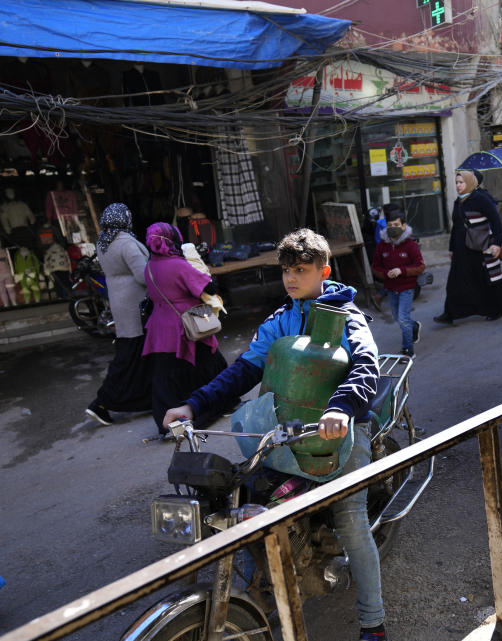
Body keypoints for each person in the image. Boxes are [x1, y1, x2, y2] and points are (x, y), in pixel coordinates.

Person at [160, 228, 388, 641]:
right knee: (249, 505)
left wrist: (340, 408)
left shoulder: (346, 317)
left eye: (300, 270)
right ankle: (260, 600)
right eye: (286, 270)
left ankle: (373, 622)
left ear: (324, 270)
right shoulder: (281, 320)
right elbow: (244, 370)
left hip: (340, 432)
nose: (291, 278)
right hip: (285, 433)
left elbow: (366, 367)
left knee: (351, 519)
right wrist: (193, 405)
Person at [142, 222, 231, 434]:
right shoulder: (177, 264)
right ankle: (216, 403)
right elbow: (206, 286)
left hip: (160, 327)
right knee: (207, 361)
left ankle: (170, 423)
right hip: (187, 322)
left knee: (168, 374)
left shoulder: (150, 266)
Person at [85, 203, 152, 425]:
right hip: (135, 305)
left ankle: (146, 399)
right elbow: (144, 277)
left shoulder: (104, 241)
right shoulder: (126, 243)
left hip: (120, 303)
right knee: (128, 358)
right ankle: (101, 403)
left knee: (136, 356)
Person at [433, 170, 502, 324]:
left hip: (480, 247)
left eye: (461, 182)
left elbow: (496, 221)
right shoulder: (459, 201)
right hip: (461, 249)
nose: (458, 185)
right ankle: (450, 313)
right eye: (456, 182)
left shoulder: (481, 199)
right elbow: (455, 227)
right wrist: (451, 248)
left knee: (486, 278)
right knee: (454, 281)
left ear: (469, 182)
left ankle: (495, 310)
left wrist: (497, 243)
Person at [371, 207, 425, 357]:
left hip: (407, 288)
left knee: (402, 318)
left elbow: (420, 266)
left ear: (403, 226)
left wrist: (402, 270)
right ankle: (414, 327)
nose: (392, 228)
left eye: (396, 225)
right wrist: (384, 274)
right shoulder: (382, 246)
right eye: (389, 225)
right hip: (390, 288)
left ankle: (408, 351)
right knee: (399, 318)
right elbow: (375, 267)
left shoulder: (411, 246)